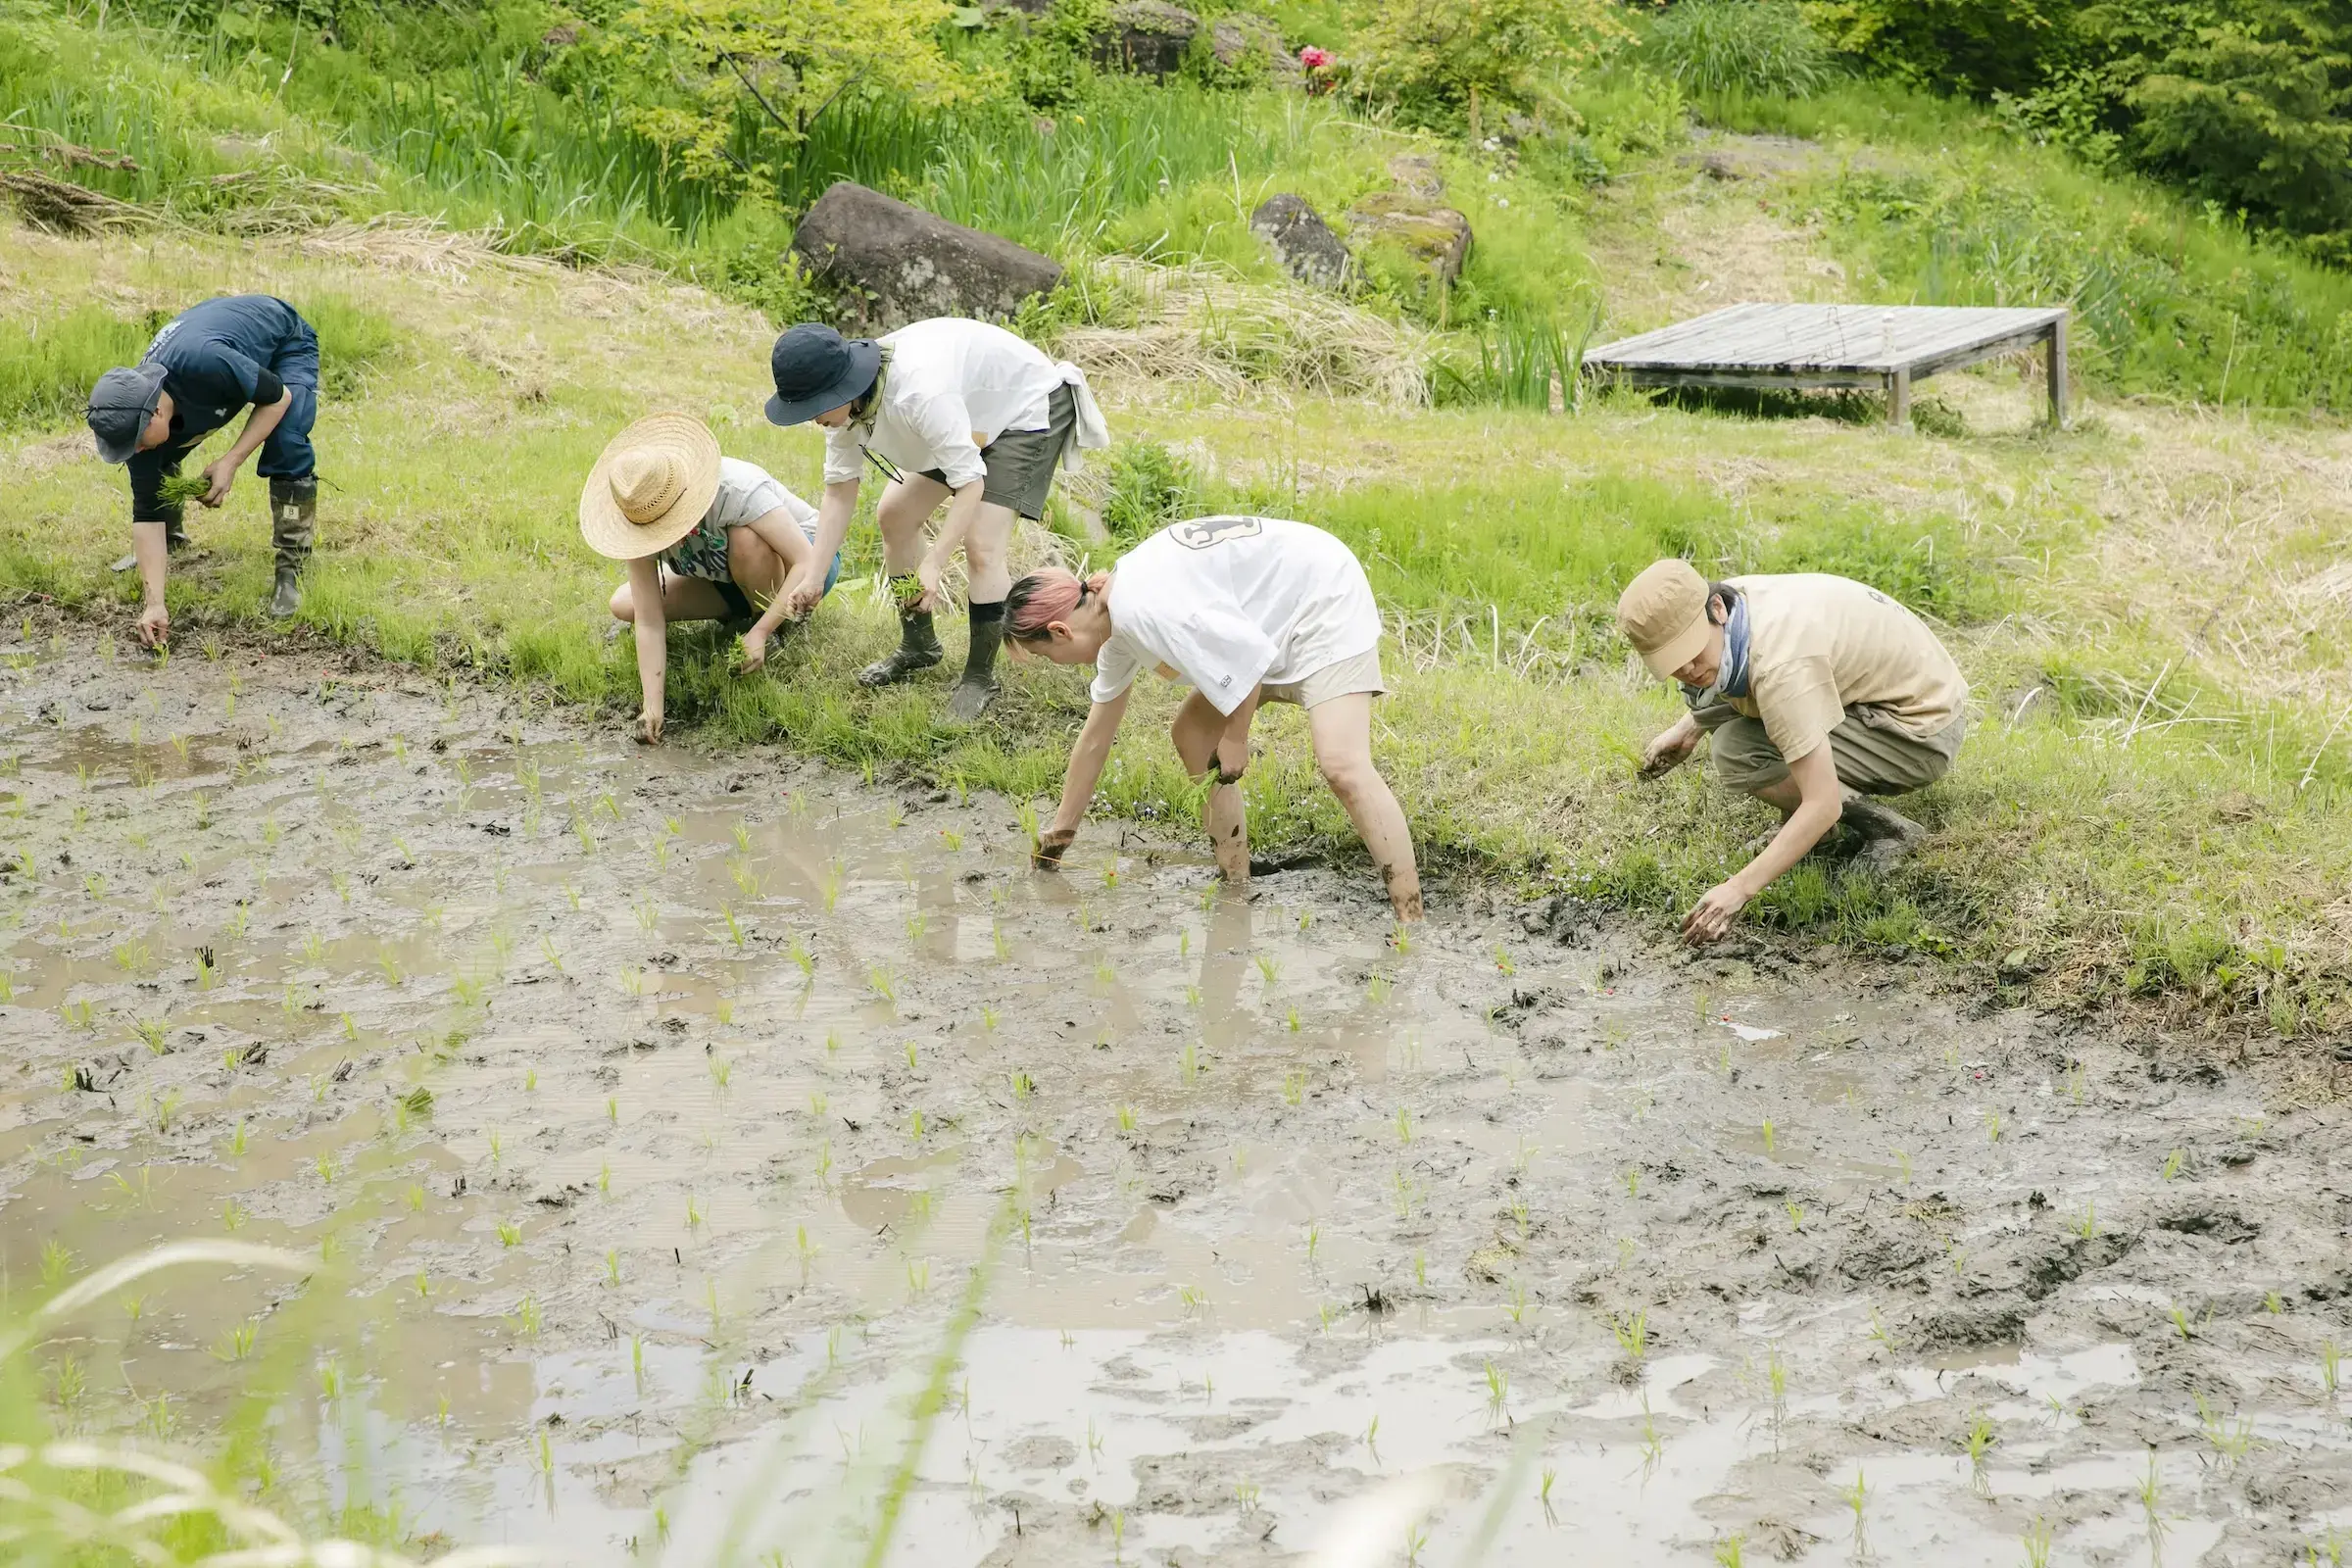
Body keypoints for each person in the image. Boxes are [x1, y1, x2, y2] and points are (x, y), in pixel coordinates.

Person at [1005, 514, 1423, 924]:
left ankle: (1411, 916)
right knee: (1193, 736)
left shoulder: (1142, 610)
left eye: (1045, 657)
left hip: (1321, 598)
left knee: (1342, 765)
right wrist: (1061, 833)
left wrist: (1236, 738)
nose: (1056, 665)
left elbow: (1248, 659)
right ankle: (1235, 882)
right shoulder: (1115, 623)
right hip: (1268, 619)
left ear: (1060, 631)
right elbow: (1096, 739)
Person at [761, 318, 1107, 721]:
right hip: (967, 416)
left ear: (842, 387)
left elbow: (970, 484)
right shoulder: (847, 409)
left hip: (1021, 410)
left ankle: (980, 677)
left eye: (814, 408)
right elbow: (839, 492)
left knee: (981, 545)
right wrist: (814, 575)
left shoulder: (919, 392)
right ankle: (919, 644)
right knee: (894, 515)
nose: (811, 418)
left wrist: (934, 563)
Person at [1617, 560, 1969, 946]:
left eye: (1692, 651)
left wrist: (1737, 890)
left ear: (1716, 609)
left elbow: (1823, 804)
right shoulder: (1734, 607)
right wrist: (1689, 728)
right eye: (1673, 663)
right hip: (1881, 689)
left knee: (1738, 750)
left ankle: (1889, 831)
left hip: (1920, 731)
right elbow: (1735, 674)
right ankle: (1803, 832)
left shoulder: (1782, 663)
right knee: (1736, 717)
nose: (1687, 666)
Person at [580, 413, 843, 745]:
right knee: (624, 604)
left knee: (747, 543)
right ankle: (741, 612)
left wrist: (760, 631)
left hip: (805, 568)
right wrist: (652, 708)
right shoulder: (640, 514)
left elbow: (806, 561)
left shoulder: (735, 489)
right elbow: (648, 619)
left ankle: (769, 624)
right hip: (727, 575)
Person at [84, 294, 322, 646]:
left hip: (282, 340)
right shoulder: (137, 414)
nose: (135, 451)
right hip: (218, 350)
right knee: (156, 461)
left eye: (136, 441)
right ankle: (173, 537)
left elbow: (278, 397)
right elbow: (146, 512)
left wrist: (230, 460)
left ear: (156, 413)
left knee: (286, 442)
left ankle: (293, 567)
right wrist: (155, 605)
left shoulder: (205, 364)